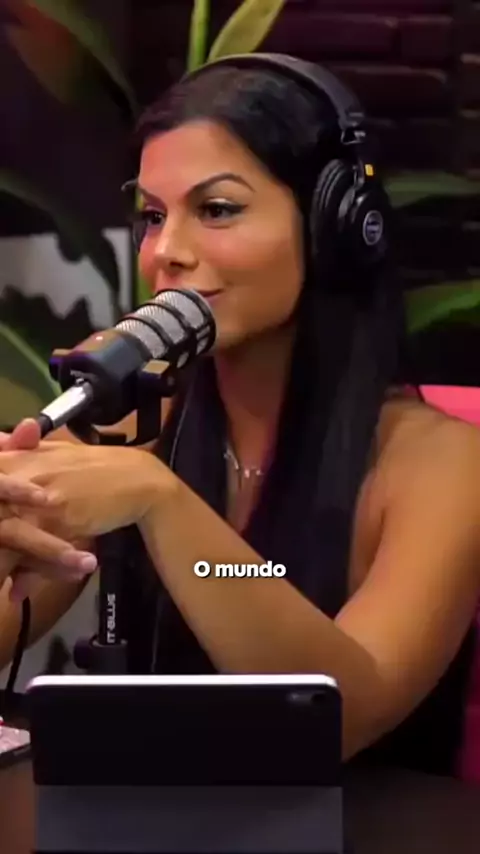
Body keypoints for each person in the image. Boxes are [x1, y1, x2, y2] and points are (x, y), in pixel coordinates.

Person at [0, 54, 479, 775]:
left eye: (217, 210)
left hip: (374, 823)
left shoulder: (441, 462)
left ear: (331, 227)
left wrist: (162, 502)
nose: (168, 252)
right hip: (154, 815)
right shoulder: (139, 406)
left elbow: (338, 721)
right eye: (153, 217)